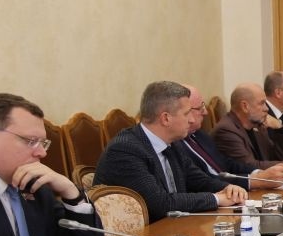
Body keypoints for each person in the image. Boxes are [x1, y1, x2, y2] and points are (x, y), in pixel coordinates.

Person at [0, 93, 161, 236]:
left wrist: (71, 191)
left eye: (43, 143)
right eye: (31, 141)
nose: (42, 153)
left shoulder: (32, 186)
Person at [95, 81, 247, 222]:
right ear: (166, 118)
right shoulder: (125, 150)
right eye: (186, 113)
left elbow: (199, 180)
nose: (191, 120)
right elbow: (160, 204)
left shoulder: (173, 144)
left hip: (174, 227)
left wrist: (227, 189)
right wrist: (217, 199)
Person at [179, 85, 283, 189]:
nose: (205, 112)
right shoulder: (225, 129)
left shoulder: (199, 134)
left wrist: (258, 174)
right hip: (220, 194)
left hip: (231, 190)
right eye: (199, 108)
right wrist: (257, 180)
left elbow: (226, 163)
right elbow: (203, 180)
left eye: (203, 106)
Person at [212, 83, 283, 174]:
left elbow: (279, 158)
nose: (266, 108)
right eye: (261, 103)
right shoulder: (226, 130)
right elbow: (250, 166)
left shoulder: (257, 125)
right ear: (245, 106)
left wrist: (280, 129)